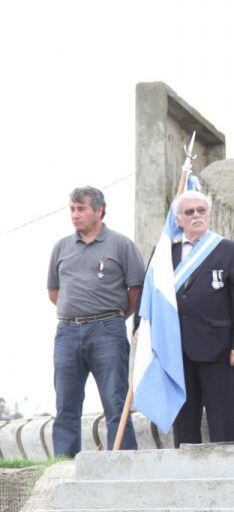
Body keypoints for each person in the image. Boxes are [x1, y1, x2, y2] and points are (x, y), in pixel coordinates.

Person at [47, 186, 144, 456]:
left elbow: (135, 290)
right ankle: (63, 465)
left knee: (115, 400)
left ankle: (123, 461)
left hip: (107, 331)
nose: (75, 215)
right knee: (66, 404)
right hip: (67, 332)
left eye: (81, 209)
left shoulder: (121, 245)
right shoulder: (61, 248)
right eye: (72, 210)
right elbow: (54, 292)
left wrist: (110, 316)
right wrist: (77, 311)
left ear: (98, 211)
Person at [170, 190, 234, 447]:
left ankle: (230, 474)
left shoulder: (230, 251)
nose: (196, 215)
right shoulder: (165, 253)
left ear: (210, 215)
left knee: (225, 420)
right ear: (178, 220)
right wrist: (142, 328)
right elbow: (151, 296)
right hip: (176, 348)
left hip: (220, 348)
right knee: (184, 421)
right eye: (189, 212)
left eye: (201, 211)